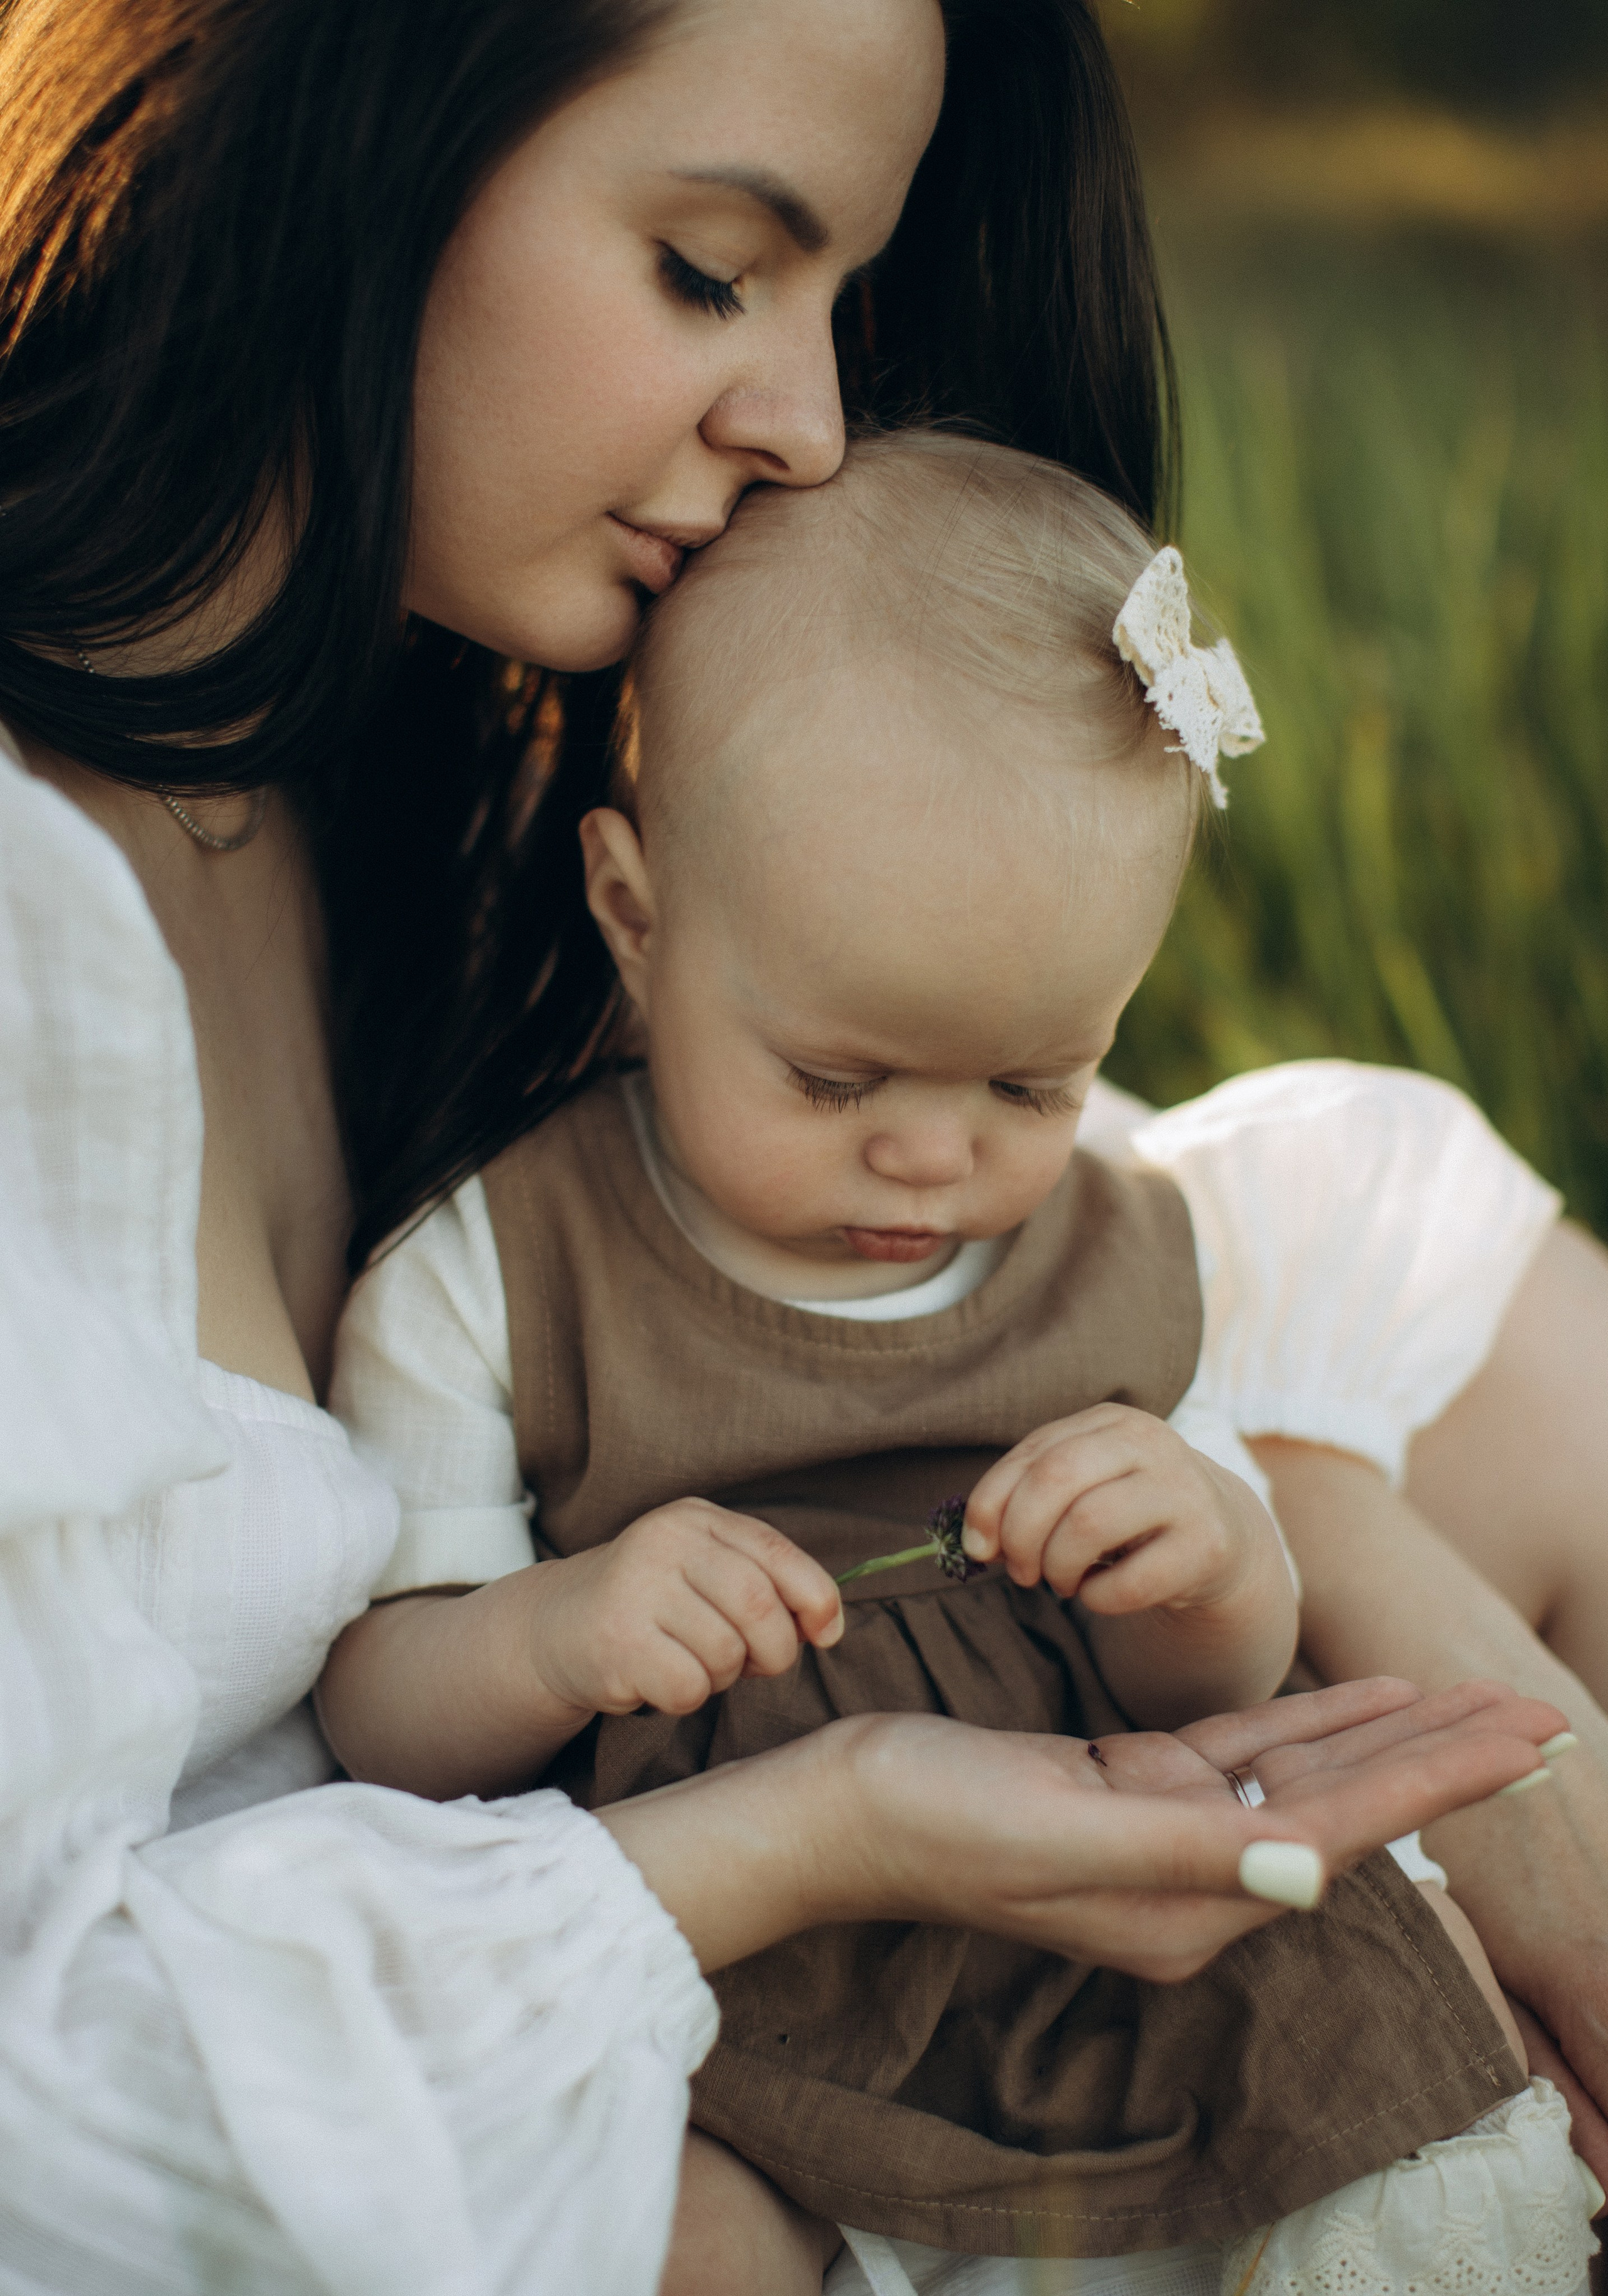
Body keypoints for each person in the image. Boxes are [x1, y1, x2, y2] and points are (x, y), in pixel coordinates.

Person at [0, 0, 1602, 2287]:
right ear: (343, 120)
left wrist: (1374, 1604)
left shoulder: (424, 738)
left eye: (840, 295)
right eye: (707, 268)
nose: (811, 427)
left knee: (1525, 1354)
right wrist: (826, 1824)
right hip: (524, 2034)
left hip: (787, 1863)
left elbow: (935, 1200)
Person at [323, 429, 1593, 2295]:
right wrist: (558, 1630)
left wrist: (1210, 1564)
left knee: (1406, 2075)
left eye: (1031, 1083)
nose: (933, 1160)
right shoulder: (502, 1266)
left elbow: (1220, 1667)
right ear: (636, 918)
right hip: (771, 1970)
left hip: (1129, 1902)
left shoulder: (1117, 1245)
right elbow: (375, 1709)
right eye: (835, 1082)